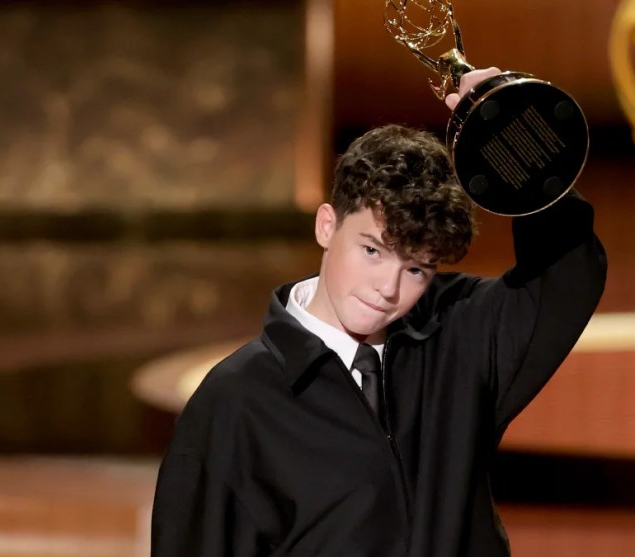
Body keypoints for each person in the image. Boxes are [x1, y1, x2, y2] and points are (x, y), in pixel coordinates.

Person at [151, 68, 607, 556]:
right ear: (327, 225)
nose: (387, 289)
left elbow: (567, 277)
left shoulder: (454, 340)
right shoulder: (236, 402)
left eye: (416, 269)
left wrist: (508, 132)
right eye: (372, 251)